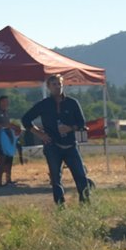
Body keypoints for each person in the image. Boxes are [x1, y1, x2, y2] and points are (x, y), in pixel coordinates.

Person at [22, 73, 91, 205]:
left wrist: (70, 128)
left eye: (59, 84)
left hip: (70, 145)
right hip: (52, 145)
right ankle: (60, 205)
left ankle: (85, 203)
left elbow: (82, 123)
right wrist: (39, 133)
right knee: (55, 177)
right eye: (54, 84)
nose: (57, 87)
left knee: (81, 175)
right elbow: (26, 119)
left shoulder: (72, 103)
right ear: (48, 87)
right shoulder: (44, 104)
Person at [0, 95, 19, 188]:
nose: (7, 104)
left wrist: (14, 126)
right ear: (0, 102)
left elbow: (8, 124)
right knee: (2, 159)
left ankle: (8, 179)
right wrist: (5, 125)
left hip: (8, 140)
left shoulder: (6, 112)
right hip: (0, 140)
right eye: (5, 101)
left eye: (7, 102)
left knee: (9, 159)